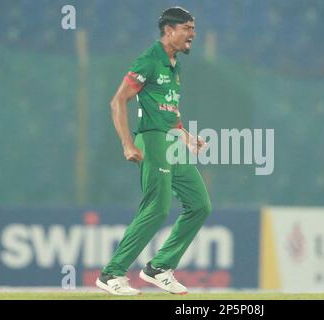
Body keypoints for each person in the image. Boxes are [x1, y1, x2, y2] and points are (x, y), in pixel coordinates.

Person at [96, 7, 211, 295]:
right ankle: (111, 274)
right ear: (169, 30)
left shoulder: (175, 65)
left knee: (199, 205)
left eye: (193, 29)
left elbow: (169, 108)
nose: (193, 34)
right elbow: (117, 102)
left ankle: (159, 268)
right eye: (188, 28)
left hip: (171, 140)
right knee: (157, 208)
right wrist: (127, 143)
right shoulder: (148, 60)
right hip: (152, 139)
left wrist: (186, 136)